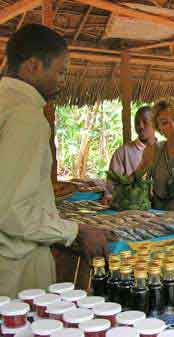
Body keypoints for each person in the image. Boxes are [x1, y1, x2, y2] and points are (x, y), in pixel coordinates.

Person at [0, 24, 109, 297]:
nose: (63, 80)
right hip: (15, 266)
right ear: (33, 66)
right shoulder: (25, 116)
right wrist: (76, 231)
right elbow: (12, 211)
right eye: (60, 71)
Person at [102, 106, 156, 205]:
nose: (141, 126)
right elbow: (111, 187)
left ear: (155, 124)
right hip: (132, 207)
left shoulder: (164, 151)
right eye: (137, 123)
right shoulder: (123, 152)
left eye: (145, 122)